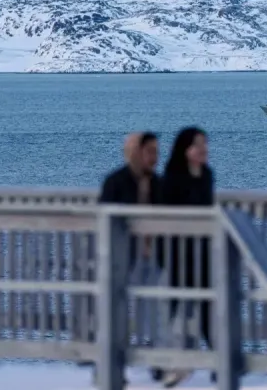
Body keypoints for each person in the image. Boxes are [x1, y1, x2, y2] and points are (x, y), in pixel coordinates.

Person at [98, 131, 165, 382]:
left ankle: (157, 361)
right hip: (124, 259)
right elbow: (105, 219)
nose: (155, 157)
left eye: (156, 152)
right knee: (119, 314)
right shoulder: (116, 182)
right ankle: (112, 364)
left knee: (157, 311)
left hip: (154, 257)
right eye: (150, 152)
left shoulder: (158, 183)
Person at [157, 126, 215, 387]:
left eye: (204, 143)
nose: (203, 149)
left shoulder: (207, 175)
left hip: (202, 252)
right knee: (173, 309)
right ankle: (168, 363)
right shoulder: (172, 178)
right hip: (176, 253)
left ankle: (218, 360)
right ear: (184, 150)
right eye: (197, 145)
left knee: (208, 308)